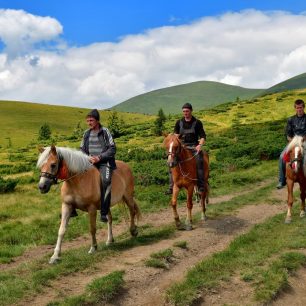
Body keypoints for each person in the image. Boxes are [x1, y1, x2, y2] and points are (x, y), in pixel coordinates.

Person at [80, 109, 117, 222]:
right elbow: (81, 149)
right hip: (90, 162)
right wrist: (88, 158)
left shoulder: (105, 131)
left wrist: (99, 157)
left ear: (97, 120)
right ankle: (72, 206)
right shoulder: (86, 133)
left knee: (106, 181)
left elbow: (112, 148)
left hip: (104, 162)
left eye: (91, 120)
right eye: (87, 121)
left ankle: (104, 213)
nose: (89, 123)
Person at [165, 102, 206, 194]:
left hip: (194, 147)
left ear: (191, 111)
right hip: (182, 147)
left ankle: (201, 185)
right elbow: (176, 136)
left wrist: (200, 145)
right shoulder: (179, 123)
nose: (185, 113)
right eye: (184, 111)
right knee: (170, 161)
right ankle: (171, 187)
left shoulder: (197, 122)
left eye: (187, 111)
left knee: (199, 161)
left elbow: (203, 136)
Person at [277, 99, 306, 189]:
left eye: (301, 107)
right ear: (295, 108)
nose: (299, 109)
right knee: (282, 156)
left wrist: (302, 140)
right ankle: (282, 180)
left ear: (303, 107)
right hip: (293, 142)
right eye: (297, 108)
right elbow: (288, 135)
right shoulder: (291, 119)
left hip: (305, 141)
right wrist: (293, 143)